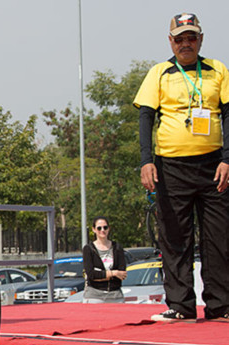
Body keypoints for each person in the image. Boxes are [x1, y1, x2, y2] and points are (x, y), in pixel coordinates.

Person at [134, 13, 229, 322]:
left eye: (191, 38)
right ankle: (180, 306)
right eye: (180, 39)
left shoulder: (217, 70)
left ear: (200, 40)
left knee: (219, 237)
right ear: (170, 41)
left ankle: (221, 306)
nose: (186, 44)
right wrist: (146, 160)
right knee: (175, 237)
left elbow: (228, 115)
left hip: (214, 165)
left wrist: (227, 158)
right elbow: (145, 116)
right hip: (170, 166)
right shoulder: (160, 73)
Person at [81, 217, 127, 303]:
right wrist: (114, 273)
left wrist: (101, 274)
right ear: (94, 229)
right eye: (99, 228)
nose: (102, 230)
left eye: (105, 227)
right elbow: (91, 275)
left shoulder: (117, 247)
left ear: (108, 229)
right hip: (94, 297)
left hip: (116, 296)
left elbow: (123, 274)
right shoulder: (88, 249)